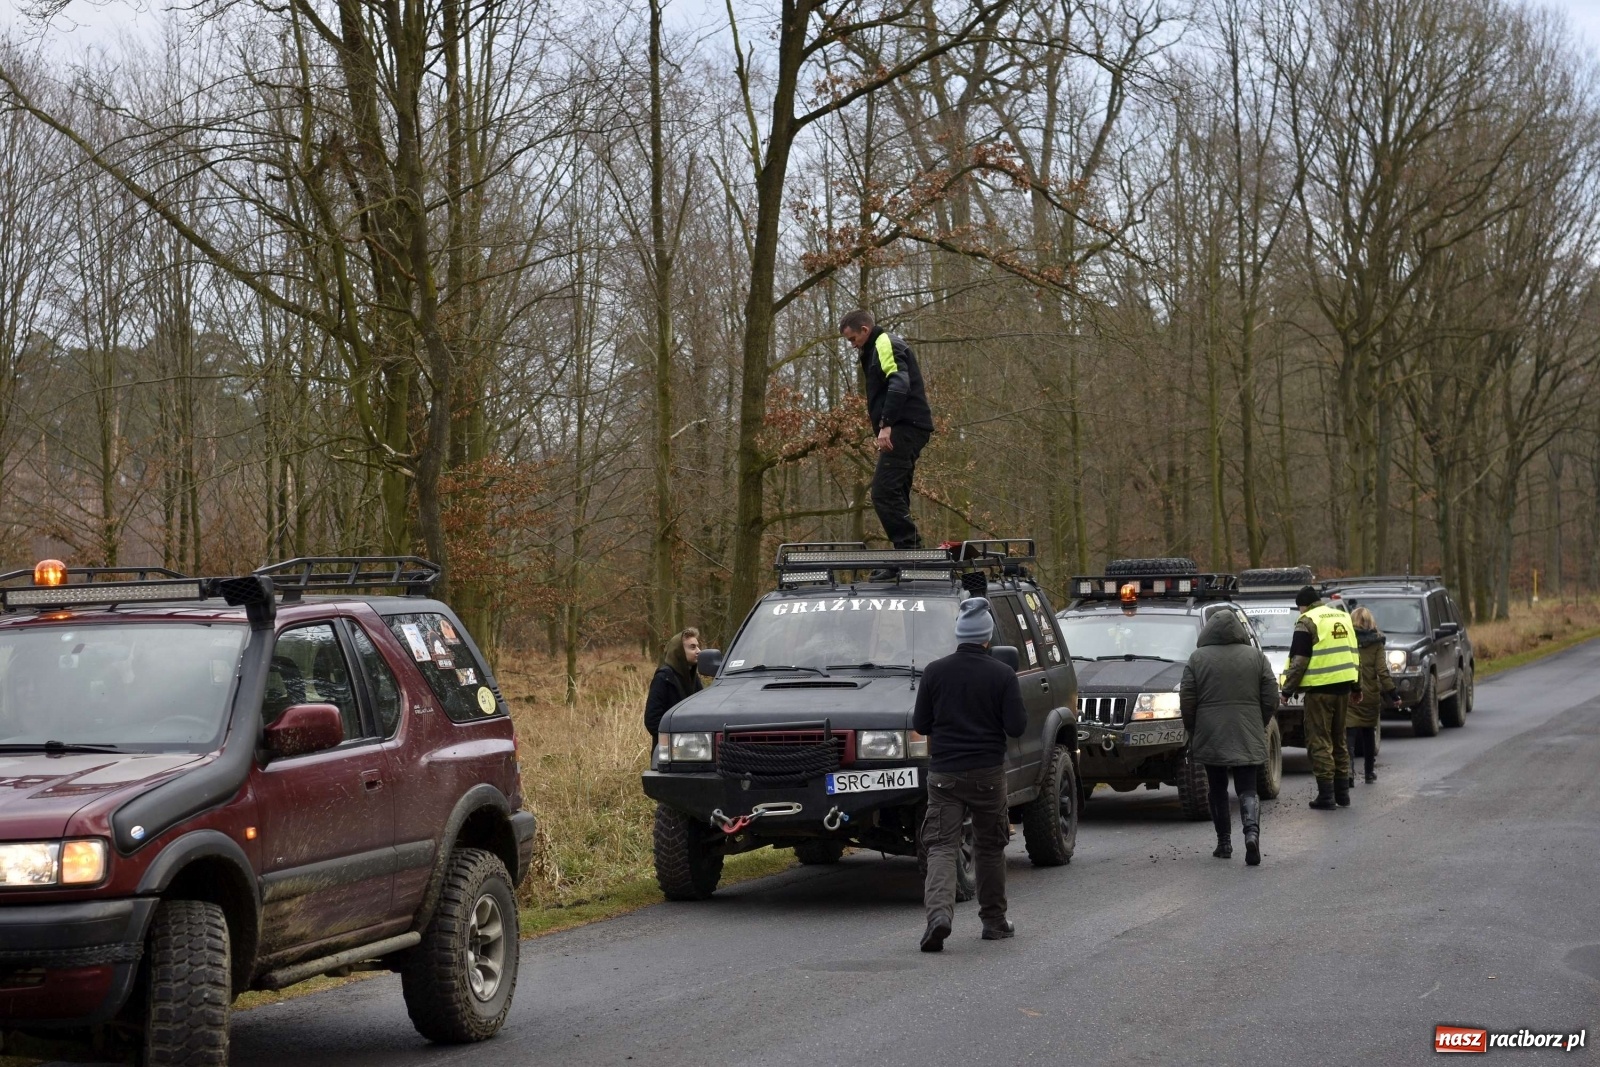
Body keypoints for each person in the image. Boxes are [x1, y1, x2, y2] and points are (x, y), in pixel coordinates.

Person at [911, 597, 1025, 952]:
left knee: (942, 846)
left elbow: (921, 724)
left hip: (944, 775)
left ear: (958, 634)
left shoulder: (934, 672)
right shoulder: (1003, 674)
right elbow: (1017, 726)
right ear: (988, 637)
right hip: (988, 775)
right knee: (989, 847)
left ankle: (939, 918)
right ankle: (994, 922)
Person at [1180, 610, 1279, 866]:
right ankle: (1251, 833)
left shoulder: (1197, 658)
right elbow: (1271, 696)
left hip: (1211, 732)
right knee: (1247, 787)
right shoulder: (1256, 657)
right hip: (1247, 729)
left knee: (1217, 787)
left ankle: (1224, 842)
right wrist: (1260, 722)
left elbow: (1187, 701)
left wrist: (1193, 729)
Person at [838, 310, 936, 553]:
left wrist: (886, 424)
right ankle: (907, 554)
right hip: (909, 426)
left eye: (852, 339)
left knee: (882, 493)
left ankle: (910, 552)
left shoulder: (885, 343)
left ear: (864, 330)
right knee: (896, 492)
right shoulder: (873, 349)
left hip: (905, 426)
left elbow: (899, 382)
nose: (852, 345)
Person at [1280, 586, 1359, 810]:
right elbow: (1354, 653)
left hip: (1320, 690)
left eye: (1299, 608)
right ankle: (1343, 794)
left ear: (1303, 605)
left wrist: (1287, 691)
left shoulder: (1306, 621)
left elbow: (1299, 661)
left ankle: (1326, 796)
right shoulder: (1343, 617)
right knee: (1339, 739)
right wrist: (1357, 686)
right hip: (1343, 686)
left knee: (1320, 741)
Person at [1348, 605, 1396, 785]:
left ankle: (1348, 772)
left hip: (1351, 692)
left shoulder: (1347, 640)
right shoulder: (1376, 642)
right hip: (1370, 695)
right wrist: (1393, 693)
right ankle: (1369, 771)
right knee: (1369, 732)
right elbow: (1382, 671)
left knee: (1349, 733)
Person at [644, 629, 701, 746]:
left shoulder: (693, 678)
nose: (699, 651)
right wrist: (676, 742)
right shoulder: (663, 678)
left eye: (698, 647)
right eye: (692, 647)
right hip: (670, 753)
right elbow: (652, 720)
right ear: (679, 651)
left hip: (696, 749)